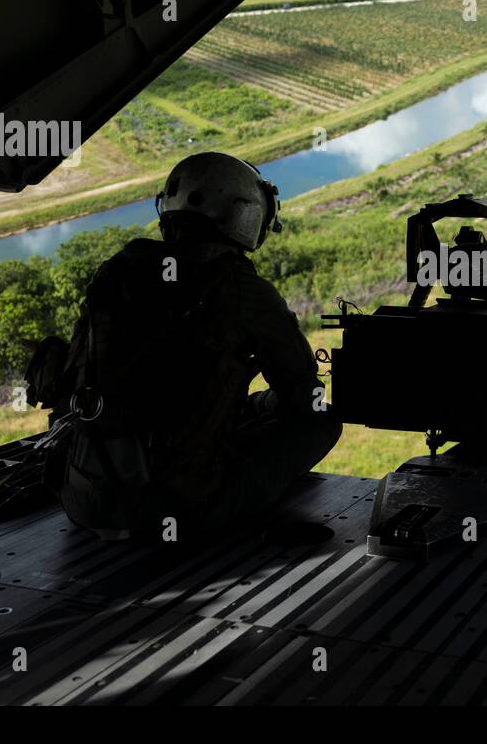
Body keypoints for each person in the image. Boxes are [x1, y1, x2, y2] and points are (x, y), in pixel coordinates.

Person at [26, 152, 341, 541]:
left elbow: (159, 391)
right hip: (174, 508)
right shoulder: (242, 290)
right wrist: (271, 405)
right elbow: (303, 398)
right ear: (243, 214)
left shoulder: (117, 271)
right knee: (322, 422)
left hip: (84, 497)